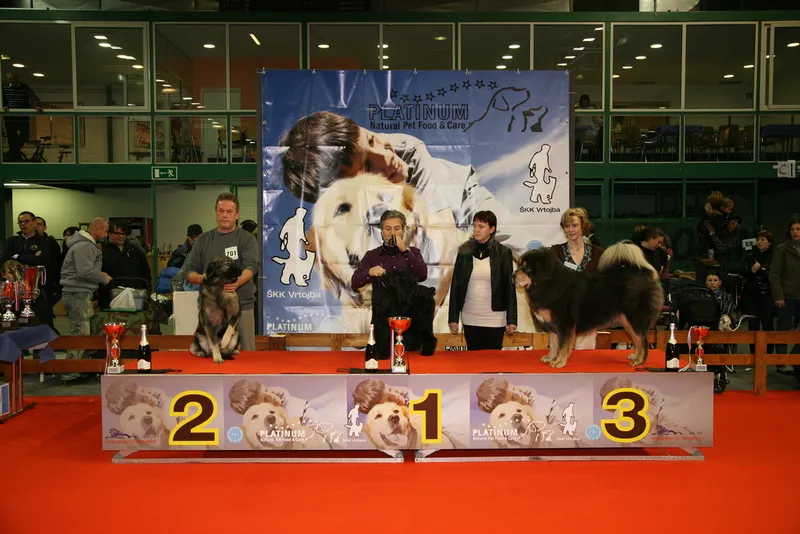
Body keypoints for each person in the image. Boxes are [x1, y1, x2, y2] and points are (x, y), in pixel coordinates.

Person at [280, 111, 534, 255]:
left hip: (461, 205)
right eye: (368, 167)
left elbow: (443, 242)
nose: (387, 157)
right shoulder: (349, 217)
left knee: (529, 249)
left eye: (371, 139)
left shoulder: (410, 152)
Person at [184, 193, 260, 351]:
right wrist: (204, 278)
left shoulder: (247, 239)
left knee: (247, 356)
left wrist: (237, 282)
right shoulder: (203, 240)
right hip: (210, 310)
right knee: (211, 355)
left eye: (229, 211)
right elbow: (188, 271)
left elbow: (251, 267)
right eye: (221, 211)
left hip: (241, 308)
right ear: (216, 213)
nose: (225, 215)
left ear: (237, 214)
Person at [447, 210, 517, 351]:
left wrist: (512, 319)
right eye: (474, 226)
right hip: (470, 316)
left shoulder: (503, 253)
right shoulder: (464, 252)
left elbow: (509, 287)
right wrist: (453, 317)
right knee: (473, 359)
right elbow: (456, 285)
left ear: (492, 229)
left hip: (495, 317)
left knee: (493, 360)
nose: (476, 230)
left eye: (481, 226)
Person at [59, 218, 112, 378]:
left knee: (82, 330)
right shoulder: (85, 246)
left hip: (79, 292)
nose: (106, 235)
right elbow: (85, 272)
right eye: (105, 231)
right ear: (97, 229)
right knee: (80, 332)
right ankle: (71, 370)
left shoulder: (84, 245)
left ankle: (79, 368)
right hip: (77, 293)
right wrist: (103, 277)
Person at [552, 208, 605, 349]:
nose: (570, 230)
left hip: (588, 313)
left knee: (585, 357)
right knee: (559, 354)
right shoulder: (555, 252)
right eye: (567, 226)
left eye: (574, 225)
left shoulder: (598, 253)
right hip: (562, 313)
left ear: (583, 226)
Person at [350, 209, 427, 293]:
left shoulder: (414, 252)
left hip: (408, 301)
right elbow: (355, 283)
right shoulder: (372, 255)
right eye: (388, 228)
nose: (392, 233)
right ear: (382, 232)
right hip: (381, 301)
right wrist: (369, 272)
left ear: (403, 231)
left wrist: (405, 251)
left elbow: (422, 275)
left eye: (397, 228)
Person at [1, 211, 56, 328]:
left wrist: (17, 256)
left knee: (43, 323)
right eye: (20, 222)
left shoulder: (45, 241)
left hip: (37, 289)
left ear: (34, 223)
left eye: (26, 221)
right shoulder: (12, 241)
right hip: (15, 290)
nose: (23, 224)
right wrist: (32, 257)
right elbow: (5, 261)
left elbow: (43, 260)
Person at [770, 218, 800, 382]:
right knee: (783, 329)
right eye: (793, 229)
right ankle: (781, 362)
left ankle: (795, 360)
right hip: (787, 296)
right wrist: (779, 296)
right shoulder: (782, 249)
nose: (795, 232)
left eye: (798, 229)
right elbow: (774, 274)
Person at [99, 222, 152, 309]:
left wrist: (148, 291)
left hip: (134, 294)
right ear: (109, 234)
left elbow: (145, 272)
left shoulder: (135, 251)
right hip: (110, 295)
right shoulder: (103, 251)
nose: (120, 236)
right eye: (117, 233)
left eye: (123, 234)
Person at [741, 230, 775, 356]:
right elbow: (742, 271)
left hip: (767, 294)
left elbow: (773, 275)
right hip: (752, 294)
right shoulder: (751, 254)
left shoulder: (774, 256)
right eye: (758, 240)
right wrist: (752, 270)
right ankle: (753, 354)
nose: (760, 242)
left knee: (768, 324)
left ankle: (768, 354)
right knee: (753, 324)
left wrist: (761, 269)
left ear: (769, 243)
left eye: (763, 240)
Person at [2, 71, 43, 162]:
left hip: (22, 115)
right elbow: (2, 98)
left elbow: (32, 96)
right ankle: (15, 158)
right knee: (12, 138)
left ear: (18, 78)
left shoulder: (24, 87)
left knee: (24, 136)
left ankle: (11, 154)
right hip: (10, 116)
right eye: (10, 80)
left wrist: (38, 105)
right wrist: (3, 105)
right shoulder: (4, 87)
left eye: (14, 79)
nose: (12, 81)